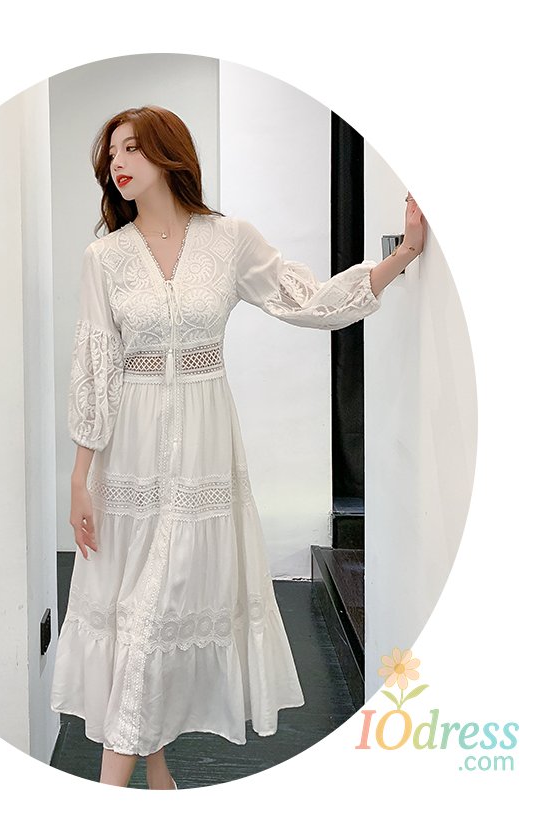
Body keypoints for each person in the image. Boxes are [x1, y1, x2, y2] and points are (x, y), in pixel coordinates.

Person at [49, 105, 426, 789]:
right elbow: (95, 369)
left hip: (203, 457)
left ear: (168, 153)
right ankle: (157, 778)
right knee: (136, 619)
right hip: (127, 461)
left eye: (132, 148)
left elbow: (309, 301)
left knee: (152, 615)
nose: (118, 163)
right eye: (111, 155)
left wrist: (400, 257)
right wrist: (80, 475)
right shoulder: (104, 257)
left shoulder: (228, 241)